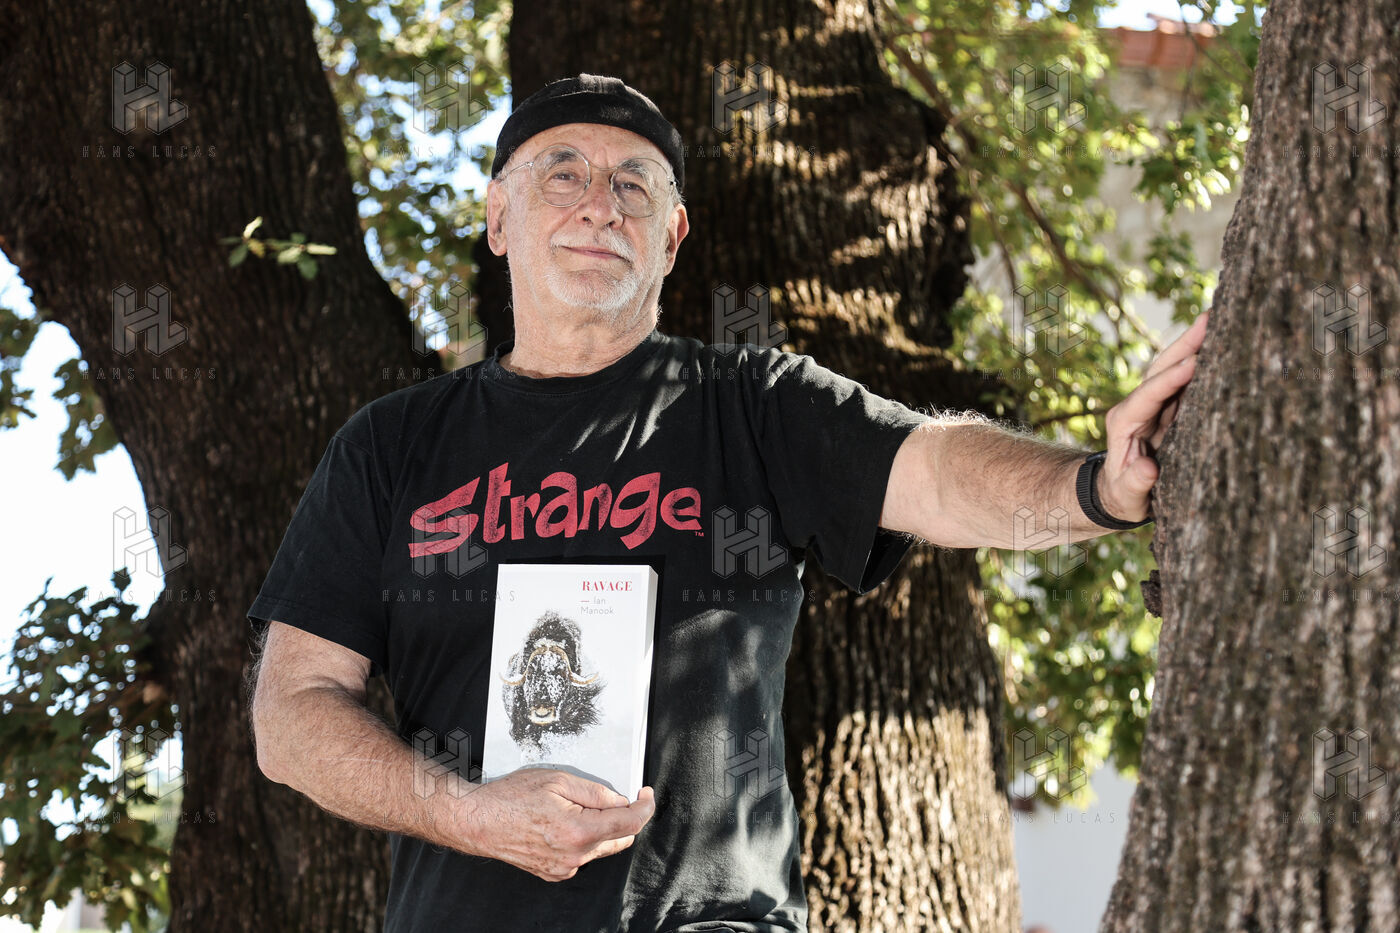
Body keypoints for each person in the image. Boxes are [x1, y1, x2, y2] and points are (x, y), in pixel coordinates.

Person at [248, 74, 1207, 932]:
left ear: (671, 238)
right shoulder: (391, 446)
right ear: (499, 217)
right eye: (563, 174)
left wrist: (1097, 485)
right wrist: (470, 814)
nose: (600, 205)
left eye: (635, 186)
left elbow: (939, 470)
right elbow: (292, 713)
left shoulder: (755, 406)